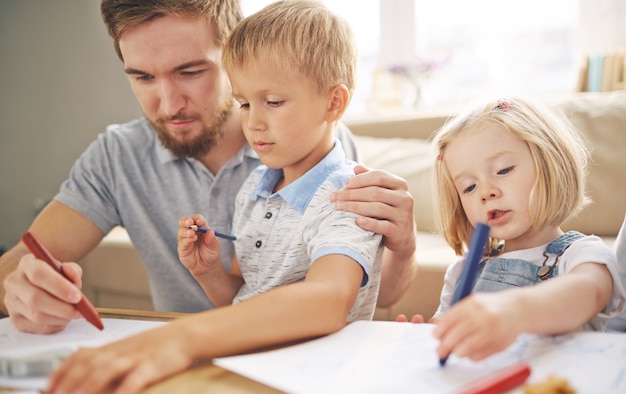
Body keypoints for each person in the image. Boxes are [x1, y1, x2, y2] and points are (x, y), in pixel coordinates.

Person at [0, 0, 417, 335]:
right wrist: (18, 289)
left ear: (232, 53)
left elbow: (363, 293)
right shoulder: (119, 157)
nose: (168, 103)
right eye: (143, 77)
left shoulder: (315, 149)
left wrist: (405, 243)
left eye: (190, 71)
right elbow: (19, 260)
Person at [48, 1, 380, 394]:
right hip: (241, 369)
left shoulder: (345, 191)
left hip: (315, 381)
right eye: (245, 104)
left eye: (272, 101)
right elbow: (244, 295)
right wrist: (208, 273)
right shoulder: (258, 187)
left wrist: (178, 338)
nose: (253, 122)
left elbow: (329, 300)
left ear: (333, 104)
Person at [402, 97, 626, 362]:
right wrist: (430, 338)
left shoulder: (582, 255)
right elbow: (451, 338)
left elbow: (588, 291)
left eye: (503, 170)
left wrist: (515, 311)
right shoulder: (463, 272)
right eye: (469, 187)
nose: (486, 192)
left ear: (550, 163)